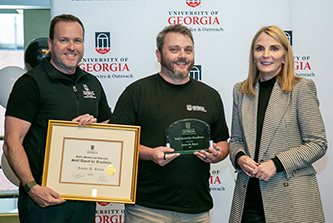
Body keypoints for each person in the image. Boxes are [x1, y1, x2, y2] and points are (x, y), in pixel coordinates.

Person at [112, 24, 229, 222]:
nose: (182, 55)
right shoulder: (137, 92)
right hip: (147, 208)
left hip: (196, 209)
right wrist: (150, 154)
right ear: (159, 55)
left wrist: (218, 155)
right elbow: (116, 142)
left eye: (188, 50)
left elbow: (223, 143)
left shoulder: (210, 96)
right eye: (174, 49)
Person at [3, 14, 111, 223]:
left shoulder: (92, 83)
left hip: (84, 197)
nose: (71, 46)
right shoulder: (30, 84)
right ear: (51, 44)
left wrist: (95, 128)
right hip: (44, 200)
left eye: (77, 41)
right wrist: (32, 188)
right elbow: (11, 143)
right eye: (64, 40)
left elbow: (108, 130)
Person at [228, 25, 327, 223]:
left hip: (291, 201)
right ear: (253, 55)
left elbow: (317, 144)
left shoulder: (301, 89)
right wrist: (239, 157)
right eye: (259, 48)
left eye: (274, 48)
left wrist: (277, 163)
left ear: (285, 55)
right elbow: (236, 140)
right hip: (248, 200)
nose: (266, 55)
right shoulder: (241, 91)